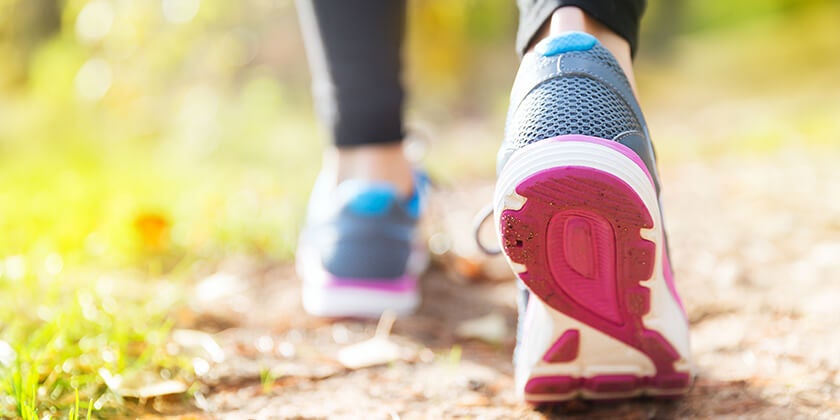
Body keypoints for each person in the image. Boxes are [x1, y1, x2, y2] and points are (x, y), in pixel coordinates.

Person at [294, 0, 693, 403]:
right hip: (597, 99)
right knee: (587, 34)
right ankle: (590, 61)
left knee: (368, 159)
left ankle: (368, 182)